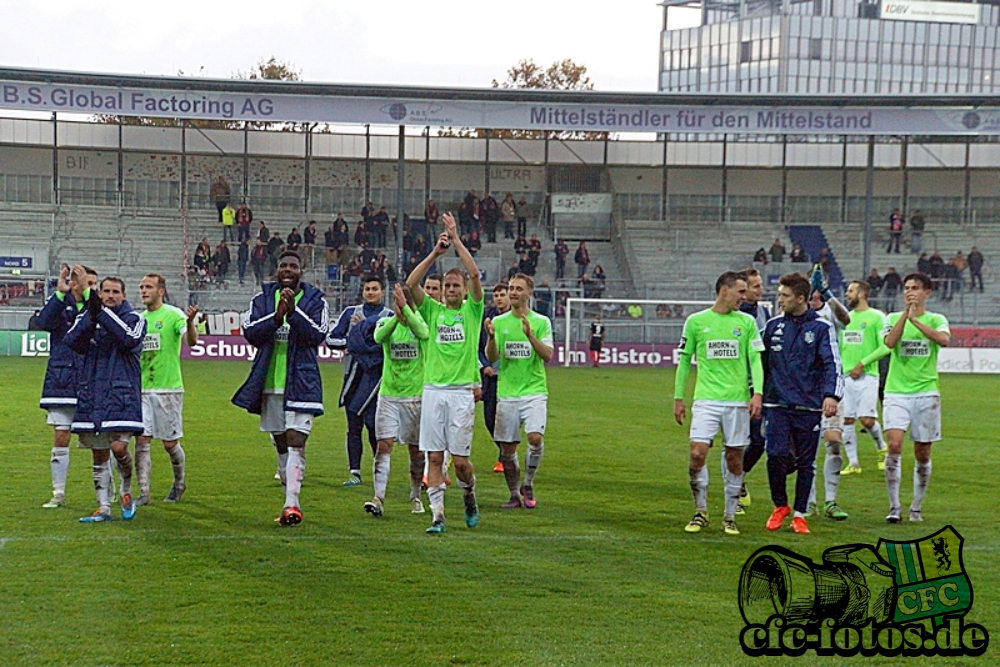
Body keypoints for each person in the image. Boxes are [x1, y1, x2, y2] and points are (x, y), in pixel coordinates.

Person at [232, 251, 329, 526]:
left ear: (302, 270)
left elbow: (317, 335)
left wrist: (293, 313)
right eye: (284, 265)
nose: (288, 270)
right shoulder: (261, 299)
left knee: (296, 439)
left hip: (302, 381)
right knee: (280, 440)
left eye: (293, 266)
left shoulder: (315, 300)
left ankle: (291, 504)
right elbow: (250, 332)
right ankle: (287, 485)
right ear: (277, 269)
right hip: (270, 381)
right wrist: (276, 317)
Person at [406, 212, 484, 534]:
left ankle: (469, 494)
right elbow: (411, 285)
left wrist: (456, 240)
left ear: (464, 290)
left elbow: (476, 274)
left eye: (456, 285)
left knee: (462, 462)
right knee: (434, 458)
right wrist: (435, 254)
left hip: (462, 394)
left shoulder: (472, 311)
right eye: (447, 285)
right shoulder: (433, 310)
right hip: (434, 391)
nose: (450, 289)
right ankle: (437, 516)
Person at [673, 272, 763, 536]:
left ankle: (729, 516)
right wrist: (678, 397)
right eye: (741, 292)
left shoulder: (746, 323)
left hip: (736, 401)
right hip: (706, 400)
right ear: (724, 291)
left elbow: (755, 360)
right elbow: (684, 361)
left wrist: (757, 393)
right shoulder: (696, 322)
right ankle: (700, 511)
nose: (744, 297)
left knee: (735, 458)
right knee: (697, 453)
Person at [761, 273, 841, 535]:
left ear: (801, 298)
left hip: (808, 405)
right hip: (777, 403)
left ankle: (799, 514)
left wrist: (832, 395)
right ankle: (780, 505)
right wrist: (755, 393)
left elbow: (833, 364)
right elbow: (758, 363)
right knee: (775, 455)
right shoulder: (773, 326)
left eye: (784, 295)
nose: (780, 300)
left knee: (806, 463)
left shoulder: (821, 327)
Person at [65, 270, 147, 523]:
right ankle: (102, 507)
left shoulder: (135, 319)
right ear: (99, 293)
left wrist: (100, 312)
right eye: (106, 291)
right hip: (93, 394)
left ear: (123, 296)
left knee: (119, 447)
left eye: (115, 292)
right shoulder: (89, 316)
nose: (110, 296)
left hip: (121, 394)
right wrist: (92, 314)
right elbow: (72, 341)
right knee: (98, 454)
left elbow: (128, 340)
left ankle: (125, 489)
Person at [881, 273, 950, 523]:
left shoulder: (936, 319)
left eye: (915, 288)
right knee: (895, 445)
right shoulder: (891, 318)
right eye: (907, 288)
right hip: (896, 391)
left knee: (922, 453)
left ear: (926, 293)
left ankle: (916, 507)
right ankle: (894, 506)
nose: (910, 292)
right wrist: (905, 316)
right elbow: (890, 342)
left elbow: (943, 340)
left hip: (926, 392)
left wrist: (916, 321)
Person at [485, 274, 554, 509]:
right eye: (511, 288)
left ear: (529, 293)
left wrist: (530, 335)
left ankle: (528, 482)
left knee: (535, 438)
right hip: (508, 393)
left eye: (518, 289)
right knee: (507, 450)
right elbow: (492, 357)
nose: (513, 292)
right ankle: (514, 494)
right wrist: (492, 338)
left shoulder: (542, 321)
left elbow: (547, 355)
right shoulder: (500, 322)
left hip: (534, 391)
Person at [364, 284, 430, 518]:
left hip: (415, 398)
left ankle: (415, 496)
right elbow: (378, 337)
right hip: (389, 396)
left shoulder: (420, 323)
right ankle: (378, 497)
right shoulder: (385, 323)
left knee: (415, 451)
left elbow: (423, 334)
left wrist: (407, 312)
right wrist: (396, 316)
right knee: (384, 446)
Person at [36, 264, 98, 508]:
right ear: (72, 283)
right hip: (62, 380)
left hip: (91, 380)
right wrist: (59, 293)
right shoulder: (60, 306)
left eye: (93, 284)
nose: (89, 287)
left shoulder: (98, 309)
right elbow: (42, 322)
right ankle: (58, 493)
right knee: (61, 436)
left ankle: (106, 491)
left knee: (99, 441)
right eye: (85, 282)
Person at [135, 274, 199, 506]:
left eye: (148, 287)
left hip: (168, 390)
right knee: (142, 441)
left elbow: (191, 342)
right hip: (142, 389)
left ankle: (179, 483)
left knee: (170, 444)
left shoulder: (174, 315)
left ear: (161, 291)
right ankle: (144, 492)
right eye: (142, 287)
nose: (143, 291)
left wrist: (191, 323)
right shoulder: (139, 320)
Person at [327, 276, 392, 486]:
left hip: (378, 379)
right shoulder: (349, 313)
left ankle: (378, 471)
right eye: (367, 289)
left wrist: (361, 342)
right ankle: (354, 472)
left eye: (375, 289)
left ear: (383, 292)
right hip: (352, 377)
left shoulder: (389, 316)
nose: (370, 292)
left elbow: (390, 346)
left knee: (375, 427)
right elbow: (331, 339)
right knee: (353, 426)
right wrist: (353, 341)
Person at [839, 280, 889, 477]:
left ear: (862, 294)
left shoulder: (877, 317)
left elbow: (885, 346)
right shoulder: (845, 319)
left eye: (850, 291)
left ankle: (881, 447)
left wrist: (862, 363)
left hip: (868, 376)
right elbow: (842, 347)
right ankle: (853, 463)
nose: (847, 294)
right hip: (845, 377)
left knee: (867, 420)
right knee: (847, 420)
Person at [735, 268, 772, 513]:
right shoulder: (734, 316)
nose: (761, 290)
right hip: (737, 386)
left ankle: (739, 477)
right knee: (736, 440)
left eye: (760, 285)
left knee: (759, 441)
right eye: (756, 286)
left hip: (761, 385)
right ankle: (734, 489)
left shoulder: (764, 313)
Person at [480, 283, 511, 473]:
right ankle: (503, 450)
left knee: (506, 418)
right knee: (489, 419)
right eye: (496, 295)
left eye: (502, 294)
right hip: (490, 377)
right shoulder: (486, 318)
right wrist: (484, 366)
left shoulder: (515, 318)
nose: (499, 298)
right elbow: (477, 345)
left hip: (508, 377)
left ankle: (503, 457)